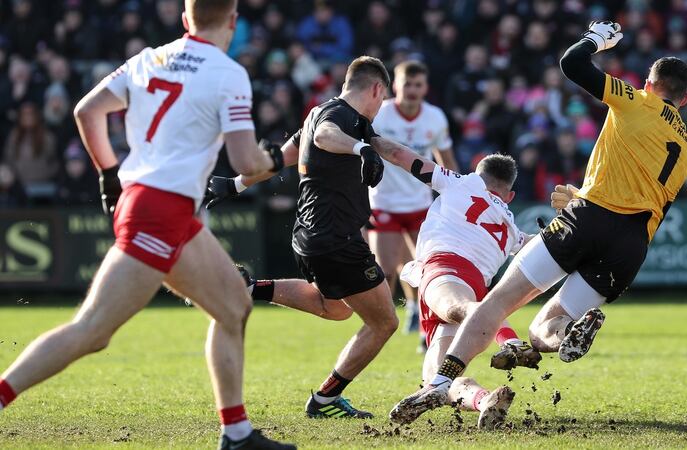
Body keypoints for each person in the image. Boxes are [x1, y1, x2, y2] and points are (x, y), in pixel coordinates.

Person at [0, 2, 294, 449]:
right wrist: (274, 158)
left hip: (163, 207)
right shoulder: (229, 72)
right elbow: (243, 160)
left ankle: (237, 434)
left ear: (184, 20)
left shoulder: (149, 57)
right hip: (160, 210)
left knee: (234, 305)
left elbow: (86, 111)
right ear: (233, 23)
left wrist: (106, 175)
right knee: (92, 332)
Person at [390, 20, 687, 425]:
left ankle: (441, 383)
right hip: (632, 244)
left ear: (650, 84)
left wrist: (597, 38)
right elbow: (651, 204)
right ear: (686, 98)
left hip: (589, 216)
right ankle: (567, 336)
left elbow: (572, 63)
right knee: (544, 329)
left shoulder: (637, 100)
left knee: (498, 302)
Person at [205, 56, 399, 419]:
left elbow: (279, 159)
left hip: (310, 235)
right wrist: (362, 149)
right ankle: (325, 400)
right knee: (385, 322)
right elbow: (328, 136)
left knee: (337, 307)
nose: (380, 107)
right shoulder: (341, 119)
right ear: (376, 89)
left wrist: (234, 184)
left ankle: (248, 288)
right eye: (382, 98)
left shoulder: (316, 114)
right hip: (337, 239)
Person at [371, 136, 542, 429]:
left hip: (446, 269)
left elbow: (399, 154)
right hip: (475, 282)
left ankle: (511, 340)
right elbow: (544, 246)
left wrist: (365, 136)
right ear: (510, 196)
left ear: (477, 175)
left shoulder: (460, 182)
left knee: (460, 308)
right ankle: (484, 400)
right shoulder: (512, 227)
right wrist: (571, 219)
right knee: (435, 377)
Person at [367, 60, 458, 343]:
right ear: (395, 86)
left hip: (420, 204)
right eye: (407, 84)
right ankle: (380, 326)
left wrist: (457, 191)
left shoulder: (435, 118)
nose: (412, 90)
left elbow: (446, 159)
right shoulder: (379, 115)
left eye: (418, 85)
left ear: (425, 88)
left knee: (425, 268)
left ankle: (422, 322)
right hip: (384, 202)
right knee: (386, 269)